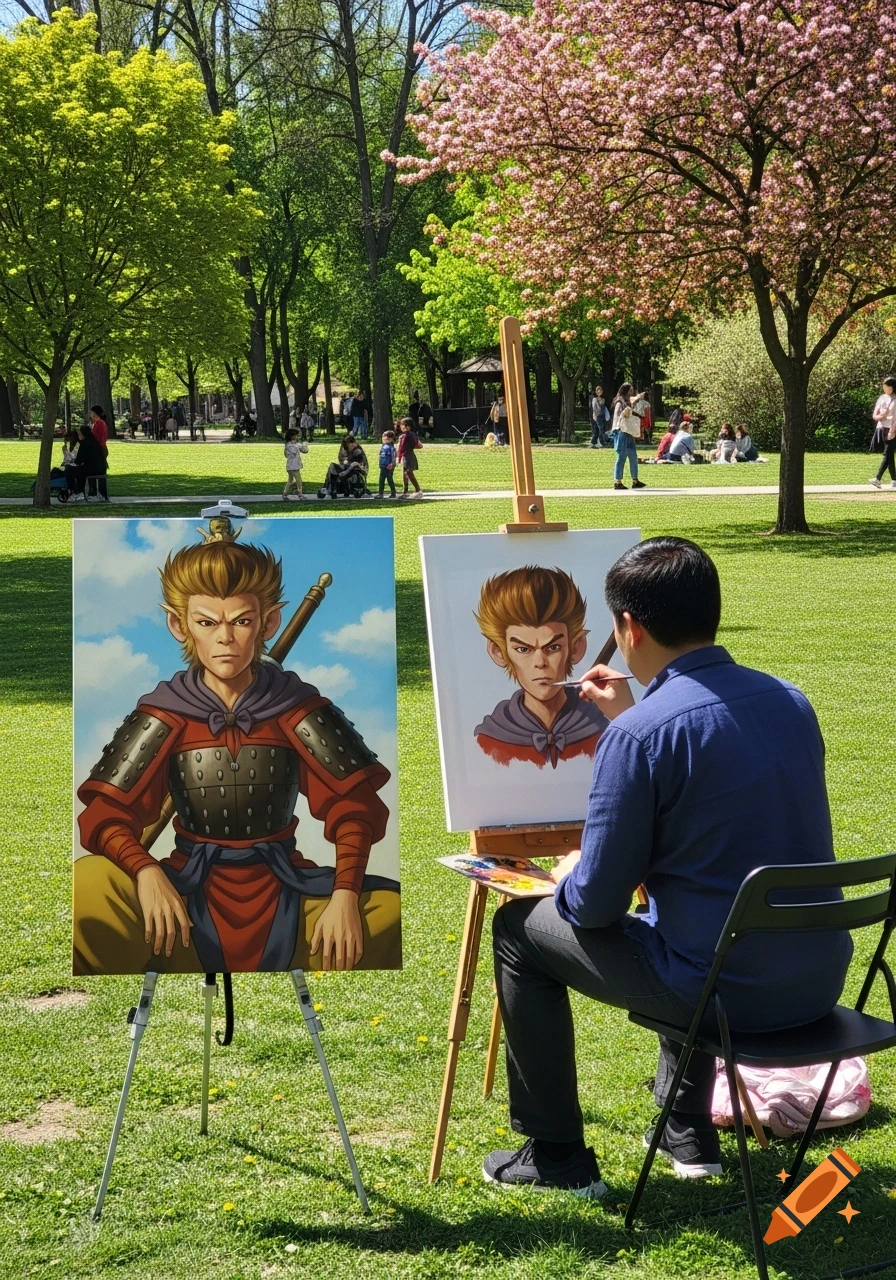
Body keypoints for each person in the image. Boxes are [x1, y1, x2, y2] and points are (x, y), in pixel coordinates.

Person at [482, 536, 853, 1195]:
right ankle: (687, 1127)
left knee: (518, 933)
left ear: (628, 627)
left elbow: (595, 906)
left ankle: (557, 1158)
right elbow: (716, 811)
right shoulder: (789, 701)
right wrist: (635, 714)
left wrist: (570, 878)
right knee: (680, 913)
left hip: (727, 996)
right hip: (816, 981)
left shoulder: (640, 736)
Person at [73, 525, 401, 974]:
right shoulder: (162, 712)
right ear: (178, 624)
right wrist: (145, 871)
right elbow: (105, 816)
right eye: (207, 622)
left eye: (241, 621)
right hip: (183, 889)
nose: (225, 637)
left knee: (387, 914)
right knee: (89, 883)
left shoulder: (299, 707)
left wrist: (345, 894)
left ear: (268, 623)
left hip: (286, 883)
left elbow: (355, 807)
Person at [473, 566, 608, 769]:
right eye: (523, 649)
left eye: (553, 647)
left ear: (576, 648)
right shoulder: (489, 739)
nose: (540, 662)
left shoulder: (607, 730)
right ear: (498, 652)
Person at [610, 384, 645, 490]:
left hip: (628, 431)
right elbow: (621, 415)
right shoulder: (619, 402)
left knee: (633, 456)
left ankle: (635, 480)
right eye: (630, 391)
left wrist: (636, 402)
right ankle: (617, 481)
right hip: (621, 431)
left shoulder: (626, 401)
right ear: (625, 391)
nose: (631, 393)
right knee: (621, 456)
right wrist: (635, 401)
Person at [65, 423, 108, 501]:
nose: (78, 436)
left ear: (83, 434)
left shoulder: (85, 444)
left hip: (94, 469)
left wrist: (71, 463)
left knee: (69, 470)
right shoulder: (94, 441)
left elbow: (79, 460)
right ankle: (79, 491)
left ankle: (76, 491)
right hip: (99, 468)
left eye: (79, 434)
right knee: (79, 471)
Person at [868, 376, 896, 489]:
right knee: (889, 455)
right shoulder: (882, 398)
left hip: (891, 428)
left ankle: (877, 478)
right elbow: (875, 414)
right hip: (881, 427)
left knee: (887, 453)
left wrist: (893, 431)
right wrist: (881, 415)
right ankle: (894, 480)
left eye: (886, 386)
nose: (884, 388)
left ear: (892, 387)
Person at [397, 417, 423, 498]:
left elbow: (401, 448)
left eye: (402, 425)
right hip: (410, 454)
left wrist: (399, 457)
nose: (401, 427)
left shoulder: (404, 436)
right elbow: (419, 445)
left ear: (408, 427)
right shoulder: (413, 434)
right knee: (406, 473)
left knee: (408, 473)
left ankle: (418, 490)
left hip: (406, 456)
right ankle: (405, 491)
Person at [282, 427, 309, 500]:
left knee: (290, 480)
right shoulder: (289, 445)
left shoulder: (295, 445)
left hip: (293, 465)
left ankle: (285, 493)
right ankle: (300, 494)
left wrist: (304, 446)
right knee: (298, 480)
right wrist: (299, 445)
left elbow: (305, 451)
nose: (297, 437)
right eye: (296, 435)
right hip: (293, 466)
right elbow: (293, 452)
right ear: (292, 436)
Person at [376, 429, 398, 499]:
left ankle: (393, 492)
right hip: (383, 466)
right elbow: (381, 456)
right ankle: (380, 493)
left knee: (389, 479)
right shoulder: (383, 447)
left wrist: (392, 464)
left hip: (389, 466)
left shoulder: (391, 448)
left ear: (391, 439)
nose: (384, 439)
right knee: (381, 479)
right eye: (383, 438)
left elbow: (394, 457)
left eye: (387, 438)